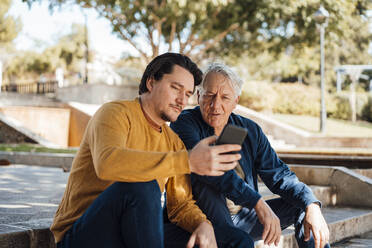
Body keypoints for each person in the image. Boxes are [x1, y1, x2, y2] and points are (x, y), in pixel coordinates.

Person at [50, 53, 252, 248]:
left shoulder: (173, 142)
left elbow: (180, 205)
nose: (182, 100)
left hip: (131, 232)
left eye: (188, 94)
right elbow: (107, 163)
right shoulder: (115, 114)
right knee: (144, 186)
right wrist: (187, 160)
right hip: (85, 233)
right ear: (151, 82)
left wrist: (203, 224)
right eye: (175, 88)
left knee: (236, 239)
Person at [170, 62, 331, 248]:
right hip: (204, 220)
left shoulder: (247, 130)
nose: (216, 105)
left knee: (300, 206)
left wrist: (311, 204)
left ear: (236, 101)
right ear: (198, 96)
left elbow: (279, 175)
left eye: (225, 97)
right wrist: (258, 203)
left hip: (243, 217)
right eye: (209, 95)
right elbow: (214, 172)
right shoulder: (185, 124)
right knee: (211, 186)